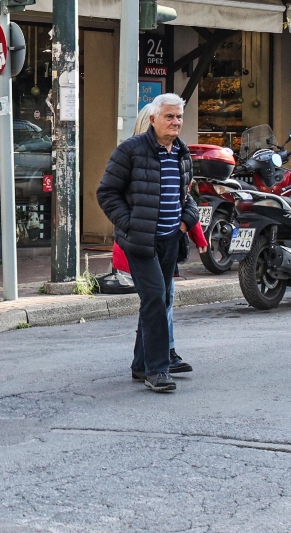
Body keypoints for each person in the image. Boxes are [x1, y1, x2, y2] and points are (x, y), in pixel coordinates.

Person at [96, 93, 200, 394]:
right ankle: (157, 370)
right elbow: (107, 193)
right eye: (169, 116)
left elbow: (186, 195)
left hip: (170, 239)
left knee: (158, 300)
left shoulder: (182, 153)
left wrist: (185, 221)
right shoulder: (130, 151)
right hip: (140, 241)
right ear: (153, 118)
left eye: (179, 117)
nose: (176, 122)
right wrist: (130, 224)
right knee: (155, 297)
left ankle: (141, 364)